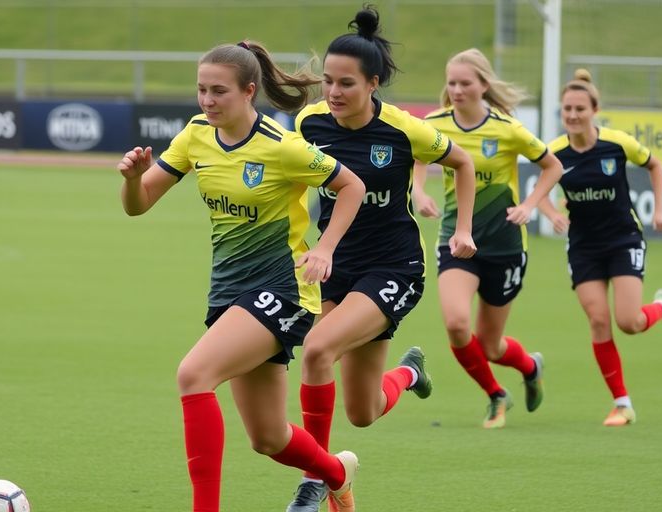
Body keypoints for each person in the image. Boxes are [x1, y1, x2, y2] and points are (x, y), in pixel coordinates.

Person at [117, 40, 367, 512]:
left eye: (219, 91)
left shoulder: (282, 147)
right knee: (269, 438)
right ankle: (337, 472)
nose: (207, 101)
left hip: (285, 291)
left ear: (249, 91)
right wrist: (133, 179)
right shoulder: (195, 135)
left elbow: (351, 185)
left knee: (193, 375)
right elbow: (139, 205)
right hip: (229, 293)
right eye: (201, 90)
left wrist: (326, 248)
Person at [285, 6, 477, 511]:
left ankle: (313, 480)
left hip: (394, 268)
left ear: (373, 84)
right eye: (327, 81)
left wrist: (461, 229)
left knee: (316, 350)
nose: (333, 92)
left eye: (346, 83)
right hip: (333, 267)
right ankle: (410, 374)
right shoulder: (309, 123)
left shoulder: (402, 130)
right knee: (364, 411)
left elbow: (462, 161)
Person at [412, 48, 563, 429]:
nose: (457, 90)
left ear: (483, 85)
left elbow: (553, 166)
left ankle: (530, 366)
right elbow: (417, 156)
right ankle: (496, 395)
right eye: (451, 82)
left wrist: (529, 204)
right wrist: (418, 190)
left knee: (491, 345)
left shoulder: (507, 128)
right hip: (456, 241)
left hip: (505, 245)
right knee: (457, 325)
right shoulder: (434, 124)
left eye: (466, 83)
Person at [536, 69, 662, 427]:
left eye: (579, 109)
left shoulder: (617, 144)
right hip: (584, 247)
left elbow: (655, 164)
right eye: (566, 109)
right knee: (599, 321)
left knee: (629, 322)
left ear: (594, 109)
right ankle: (622, 404)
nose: (572, 115)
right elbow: (538, 192)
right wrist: (553, 212)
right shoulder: (554, 152)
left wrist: (661, 207)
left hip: (623, 239)